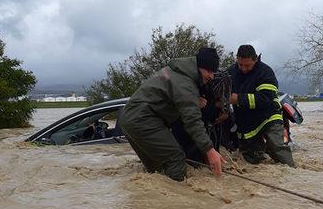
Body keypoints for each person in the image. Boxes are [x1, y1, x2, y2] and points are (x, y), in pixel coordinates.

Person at [119, 48, 225, 181]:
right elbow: (193, 122)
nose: (211, 76)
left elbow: (172, 97)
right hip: (143, 119)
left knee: (156, 170)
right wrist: (210, 150)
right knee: (176, 158)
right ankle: (180, 199)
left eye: (213, 72)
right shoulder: (185, 83)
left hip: (131, 118)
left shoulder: (178, 73)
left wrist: (192, 100)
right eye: (209, 71)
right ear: (199, 66)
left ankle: (156, 199)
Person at [228, 45, 295, 167]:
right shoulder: (231, 72)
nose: (243, 69)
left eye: (247, 65)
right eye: (240, 65)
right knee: (253, 161)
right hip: (248, 124)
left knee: (277, 147)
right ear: (237, 59)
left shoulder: (265, 72)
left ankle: (293, 174)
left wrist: (238, 98)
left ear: (255, 59)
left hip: (268, 117)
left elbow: (265, 99)